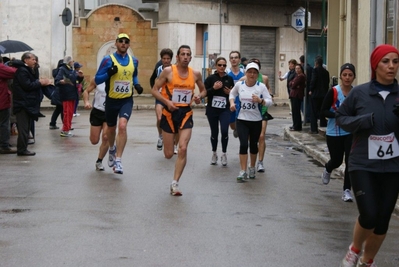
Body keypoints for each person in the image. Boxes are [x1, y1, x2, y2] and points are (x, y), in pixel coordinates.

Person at [336, 44, 399, 267]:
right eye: (386, 61)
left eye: (395, 61)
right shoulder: (360, 92)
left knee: (382, 222)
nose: (391, 66)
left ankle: (367, 261)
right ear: (375, 64)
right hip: (362, 163)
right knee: (370, 215)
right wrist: (365, 121)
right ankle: (354, 249)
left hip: (393, 166)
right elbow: (341, 118)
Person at [151, 44, 206, 196]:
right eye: (183, 54)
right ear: (177, 57)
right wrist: (166, 102)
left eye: (188, 54)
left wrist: (199, 97)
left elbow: (204, 90)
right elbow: (154, 90)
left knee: (182, 148)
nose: (186, 57)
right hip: (169, 113)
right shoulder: (168, 71)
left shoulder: (195, 74)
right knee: (169, 154)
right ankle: (168, 140)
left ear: (191, 57)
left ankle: (175, 184)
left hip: (186, 113)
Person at [95, 33, 143, 174]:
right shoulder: (107, 60)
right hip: (111, 100)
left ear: (129, 44)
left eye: (126, 41)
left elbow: (133, 75)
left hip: (126, 100)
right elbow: (97, 79)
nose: (123, 43)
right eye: (121, 41)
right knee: (110, 130)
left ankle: (119, 160)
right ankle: (111, 148)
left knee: (122, 126)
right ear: (116, 43)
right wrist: (108, 73)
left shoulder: (134, 61)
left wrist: (137, 84)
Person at [229, 62, 273, 182]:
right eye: (250, 72)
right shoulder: (239, 85)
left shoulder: (261, 87)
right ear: (246, 73)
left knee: (253, 145)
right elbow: (231, 94)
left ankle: (252, 167)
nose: (252, 74)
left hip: (256, 120)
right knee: (243, 144)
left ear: (257, 74)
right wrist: (232, 103)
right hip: (242, 119)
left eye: (254, 72)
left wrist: (261, 100)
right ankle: (243, 171)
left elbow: (270, 101)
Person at [320, 63, 356, 202]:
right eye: (345, 75)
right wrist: (337, 116)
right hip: (334, 132)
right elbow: (323, 111)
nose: (347, 77)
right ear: (340, 76)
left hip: (350, 132)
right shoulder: (334, 92)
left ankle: (346, 190)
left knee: (350, 161)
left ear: (354, 77)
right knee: (336, 160)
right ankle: (328, 169)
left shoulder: (355, 93)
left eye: (350, 75)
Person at [12, 52, 50, 156]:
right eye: (33, 59)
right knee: (23, 129)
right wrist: (39, 83)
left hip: (28, 103)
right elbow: (27, 85)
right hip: (22, 104)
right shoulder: (22, 71)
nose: (35, 61)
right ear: (26, 60)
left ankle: (23, 148)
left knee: (27, 127)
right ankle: (22, 150)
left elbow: (33, 81)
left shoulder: (28, 70)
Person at [239, 58, 273, 172]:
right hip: (247, 114)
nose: (252, 72)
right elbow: (237, 91)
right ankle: (252, 159)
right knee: (250, 139)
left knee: (262, 136)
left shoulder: (264, 79)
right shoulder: (243, 79)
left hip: (261, 110)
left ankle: (260, 162)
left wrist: (263, 99)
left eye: (256, 68)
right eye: (250, 69)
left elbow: (269, 93)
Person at [203, 56, 234, 166]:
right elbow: (204, 92)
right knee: (214, 132)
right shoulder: (210, 78)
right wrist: (214, 89)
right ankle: (214, 153)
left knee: (225, 131)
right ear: (216, 66)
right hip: (212, 109)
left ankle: (224, 153)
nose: (222, 67)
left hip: (224, 110)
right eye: (220, 65)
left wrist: (230, 92)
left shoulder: (229, 78)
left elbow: (234, 93)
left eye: (224, 65)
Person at [83, 78, 108, 171]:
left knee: (106, 137)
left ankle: (99, 161)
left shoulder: (117, 80)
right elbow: (86, 91)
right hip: (97, 112)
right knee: (94, 141)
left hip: (110, 113)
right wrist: (86, 102)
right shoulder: (98, 79)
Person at [151, 48, 173, 151]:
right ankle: (160, 136)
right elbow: (152, 78)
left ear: (171, 59)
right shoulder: (158, 68)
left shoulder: (174, 69)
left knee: (172, 120)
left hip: (171, 97)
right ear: (161, 59)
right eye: (164, 58)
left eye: (168, 58)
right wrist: (154, 90)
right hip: (160, 96)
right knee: (159, 118)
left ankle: (172, 141)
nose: (166, 60)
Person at [55, 56, 78, 137]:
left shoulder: (71, 70)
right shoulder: (62, 69)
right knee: (67, 113)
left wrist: (80, 77)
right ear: (68, 62)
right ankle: (65, 130)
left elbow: (75, 81)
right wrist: (62, 81)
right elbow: (57, 81)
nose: (73, 62)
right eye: (72, 61)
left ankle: (68, 128)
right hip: (66, 94)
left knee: (70, 113)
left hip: (72, 94)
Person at [308, 56, 330, 134]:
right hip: (324, 94)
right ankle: (323, 126)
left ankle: (314, 129)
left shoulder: (315, 71)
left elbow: (313, 80)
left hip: (315, 94)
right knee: (322, 111)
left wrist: (310, 89)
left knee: (313, 112)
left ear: (316, 63)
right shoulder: (326, 72)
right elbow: (327, 83)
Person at [226, 51, 245, 137]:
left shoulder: (244, 72)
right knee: (231, 123)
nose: (234, 59)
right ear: (229, 60)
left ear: (239, 60)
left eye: (236, 57)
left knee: (243, 123)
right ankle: (236, 129)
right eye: (232, 58)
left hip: (242, 100)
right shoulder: (226, 72)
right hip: (231, 100)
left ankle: (241, 131)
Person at [0, 56, 17, 154]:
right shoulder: (1, 68)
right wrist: (15, 65)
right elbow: (14, 72)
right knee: (4, 123)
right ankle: (4, 146)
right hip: (2, 100)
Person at [288, 64, 306, 131]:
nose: (297, 70)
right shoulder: (297, 76)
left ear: (301, 69)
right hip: (293, 95)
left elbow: (293, 85)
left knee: (296, 111)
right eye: (296, 69)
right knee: (294, 111)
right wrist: (293, 83)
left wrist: (293, 83)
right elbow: (290, 83)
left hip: (297, 95)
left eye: (298, 68)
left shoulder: (301, 76)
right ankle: (295, 125)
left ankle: (297, 126)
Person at [49, 59, 64, 130]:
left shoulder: (55, 71)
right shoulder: (61, 71)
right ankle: (65, 125)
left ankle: (52, 123)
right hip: (60, 93)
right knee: (61, 109)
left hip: (57, 92)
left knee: (58, 109)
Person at [299, 55, 313, 123]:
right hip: (309, 88)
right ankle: (308, 117)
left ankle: (307, 118)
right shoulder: (310, 67)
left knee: (304, 104)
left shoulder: (303, 68)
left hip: (304, 88)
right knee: (308, 103)